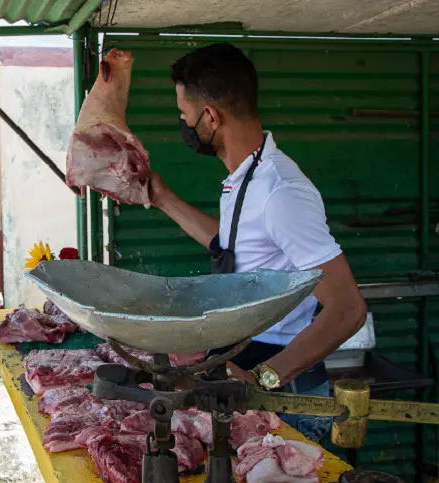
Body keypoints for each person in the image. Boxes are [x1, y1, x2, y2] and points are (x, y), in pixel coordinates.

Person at [148, 43, 367, 441]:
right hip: (242, 368)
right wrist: (160, 198)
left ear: (210, 117)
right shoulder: (246, 177)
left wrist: (265, 378)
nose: (183, 123)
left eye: (185, 114)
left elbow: (349, 308)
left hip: (281, 390)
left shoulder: (281, 192)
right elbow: (233, 247)